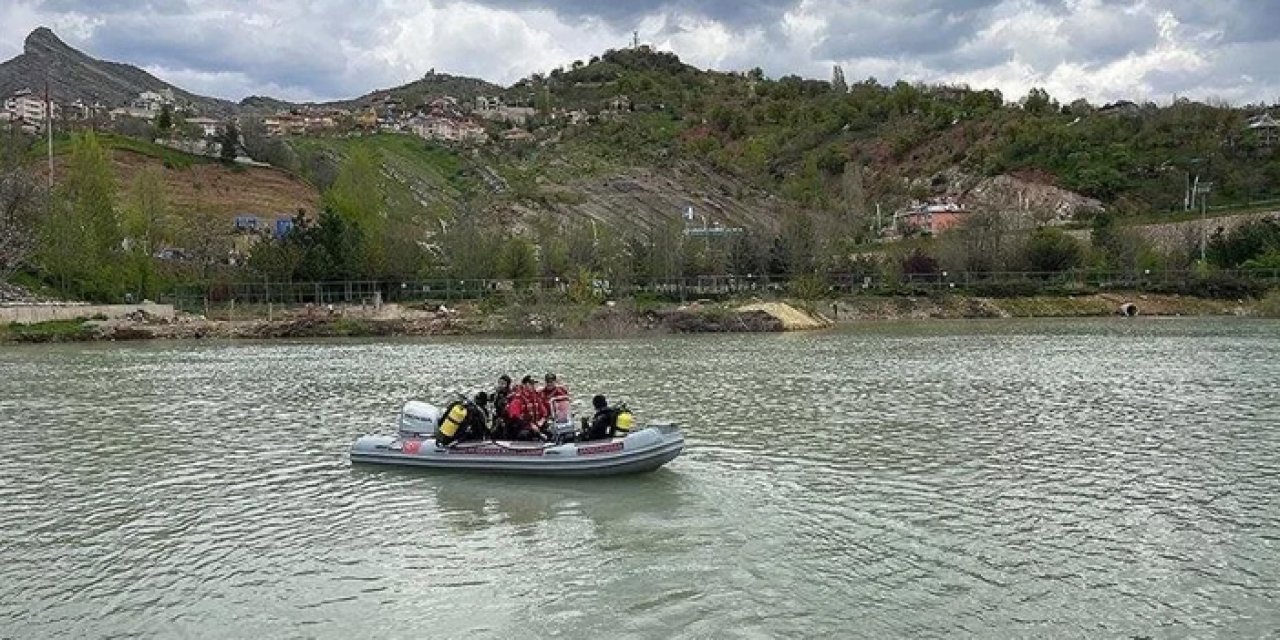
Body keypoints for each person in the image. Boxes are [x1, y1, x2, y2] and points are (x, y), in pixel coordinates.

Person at [505, 376, 548, 441]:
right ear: (524, 385)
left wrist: (541, 421)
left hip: (537, 425)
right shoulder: (518, 399)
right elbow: (515, 417)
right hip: (522, 427)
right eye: (531, 384)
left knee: (550, 431)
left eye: (534, 384)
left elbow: (544, 412)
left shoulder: (536, 397)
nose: (533, 386)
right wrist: (530, 426)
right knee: (524, 435)